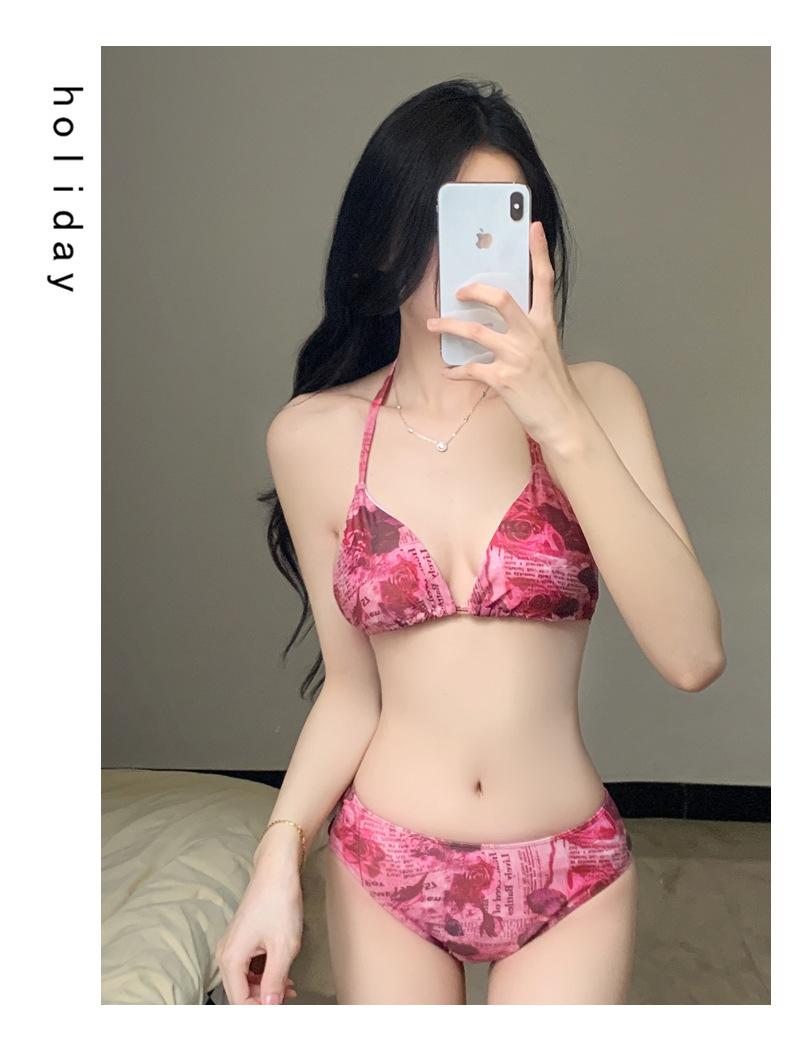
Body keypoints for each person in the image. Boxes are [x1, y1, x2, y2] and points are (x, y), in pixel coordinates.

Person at [215, 77, 726, 1005]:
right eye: (453, 224)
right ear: (387, 241)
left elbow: (693, 655)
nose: (478, 257)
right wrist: (278, 856)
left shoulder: (598, 401)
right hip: (385, 865)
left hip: (570, 872)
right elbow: (353, 691)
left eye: (503, 222)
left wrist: (559, 418)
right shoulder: (312, 436)